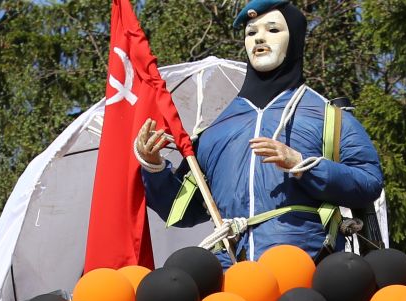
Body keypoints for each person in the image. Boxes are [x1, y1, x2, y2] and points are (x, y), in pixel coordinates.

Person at [137, 1, 384, 263]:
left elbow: (368, 182)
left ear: (295, 38)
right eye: (251, 33)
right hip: (232, 275)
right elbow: (183, 212)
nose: (259, 39)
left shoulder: (329, 118)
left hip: (305, 272)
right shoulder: (215, 131)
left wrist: (304, 166)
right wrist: (154, 168)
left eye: (273, 30)